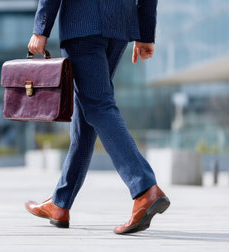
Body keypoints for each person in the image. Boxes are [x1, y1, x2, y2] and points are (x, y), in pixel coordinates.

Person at [25, 0, 170, 234]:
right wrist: (144, 33)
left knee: (98, 105)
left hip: (83, 23)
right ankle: (61, 203)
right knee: (88, 111)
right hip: (119, 24)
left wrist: (41, 28)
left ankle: (144, 189)